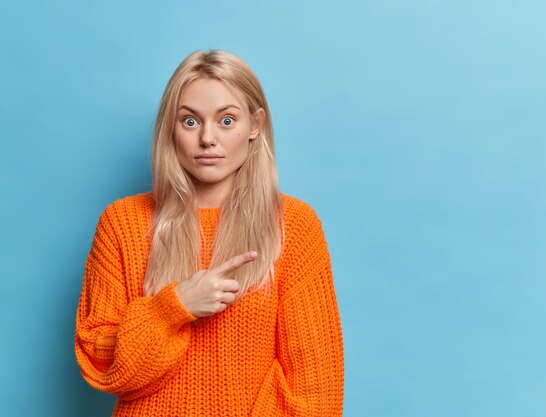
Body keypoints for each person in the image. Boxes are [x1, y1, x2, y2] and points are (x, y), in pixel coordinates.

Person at [74, 49, 344, 417]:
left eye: (227, 120)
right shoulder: (122, 222)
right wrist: (174, 307)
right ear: (171, 127)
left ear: (254, 126)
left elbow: (316, 391)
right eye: (189, 122)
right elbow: (98, 361)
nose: (207, 139)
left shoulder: (293, 225)